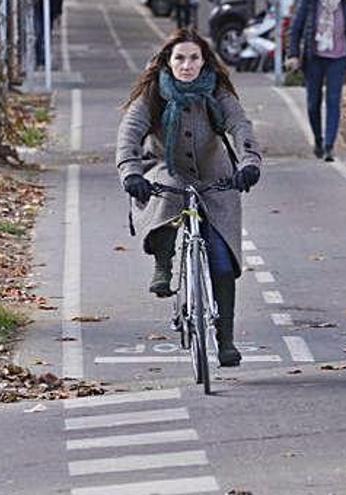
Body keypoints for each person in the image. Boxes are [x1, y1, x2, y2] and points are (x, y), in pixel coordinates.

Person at [116, 29, 262, 367]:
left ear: (204, 61)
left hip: (215, 176)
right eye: (179, 58)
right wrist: (131, 173)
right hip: (165, 168)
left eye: (194, 57)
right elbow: (129, 134)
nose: (186, 64)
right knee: (167, 196)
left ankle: (225, 340)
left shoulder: (217, 91)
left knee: (223, 261)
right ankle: (163, 264)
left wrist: (250, 163)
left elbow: (241, 127)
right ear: (168, 61)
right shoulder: (153, 94)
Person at [286, 0, 346, 162]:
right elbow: (296, 29)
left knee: (334, 99)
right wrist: (293, 54)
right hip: (314, 58)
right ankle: (318, 139)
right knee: (313, 102)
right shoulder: (310, 4)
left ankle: (329, 145)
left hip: (338, 58)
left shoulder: (345, 5)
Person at [34, 0, 64, 69]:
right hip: (39, 7)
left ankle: (43, 59)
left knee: (45, 34)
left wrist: (58, 12)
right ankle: (40, 59)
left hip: (50, 9)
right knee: (40, 33)